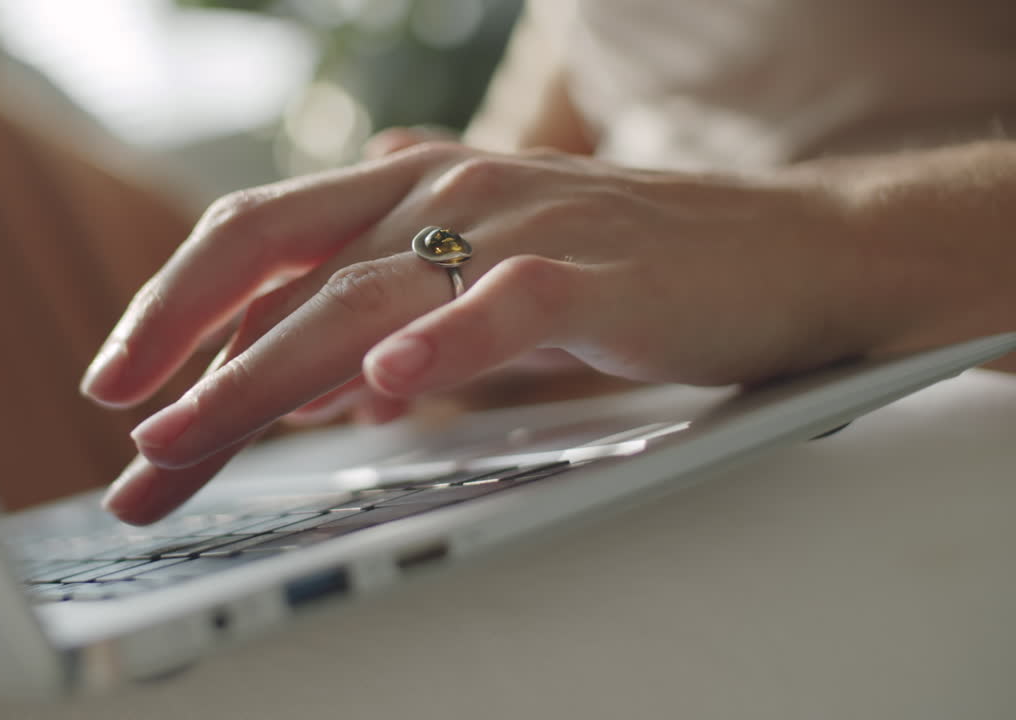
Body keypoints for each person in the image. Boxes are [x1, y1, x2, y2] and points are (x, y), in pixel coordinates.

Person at [81, 0, 1016, 526]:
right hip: (571, 375)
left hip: (916, 351)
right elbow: (545, 132)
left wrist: (813, 235)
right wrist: (443, 230)